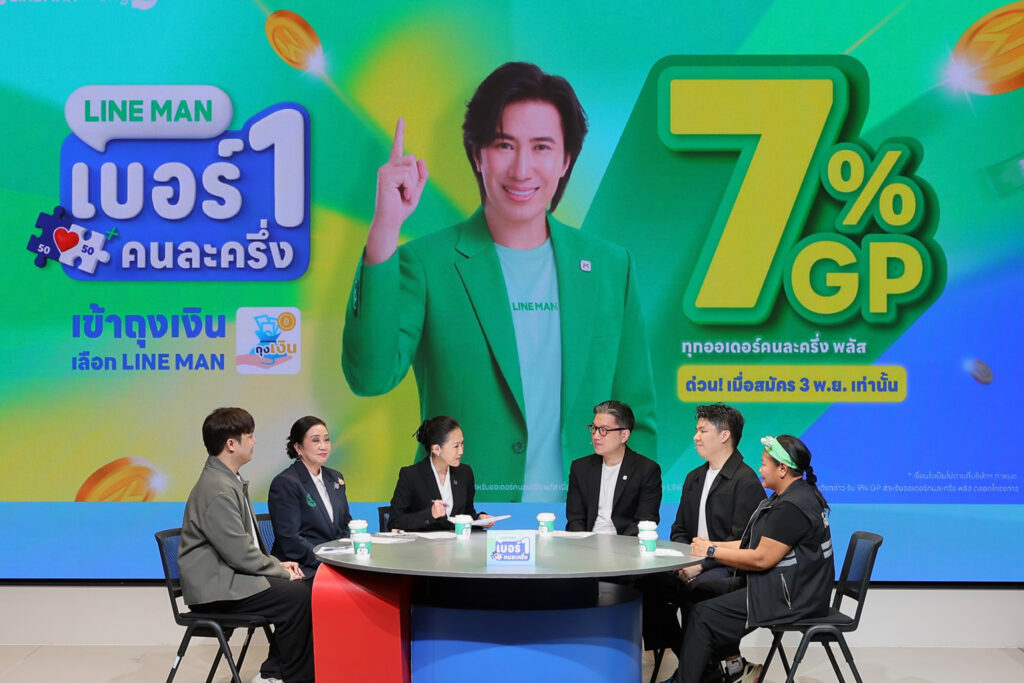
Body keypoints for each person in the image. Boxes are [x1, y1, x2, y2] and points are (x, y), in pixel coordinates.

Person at [342, 61, 657, 503]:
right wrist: (385, 229)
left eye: (542, 147)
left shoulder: (609, 266)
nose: (522, 169)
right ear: (477, 154)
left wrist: (635, 517)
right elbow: (369, 376)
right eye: (504, 145)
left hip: (585, 524)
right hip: (462, 520)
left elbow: (636, 415)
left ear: (566, 159)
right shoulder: (428, 263)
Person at [663, 435, 835, 683]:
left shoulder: (792, 506)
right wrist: (711, 546)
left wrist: (711, 552)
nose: (760, 469)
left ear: (783, 469)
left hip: (794, 598)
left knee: (704, 615)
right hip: (788, 587)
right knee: (699, 592)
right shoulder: (791, 495)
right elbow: (752, 544)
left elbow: (761, 559)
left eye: (764, 464)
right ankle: (715, 673)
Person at [178, 407, 314, 683]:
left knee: (301, 590)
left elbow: (243, 548)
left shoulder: (228, 480)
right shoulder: (216, 487)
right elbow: (239, 553)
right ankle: (293, 676)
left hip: (229, 578)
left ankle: (279, 673)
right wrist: (280, 570)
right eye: (249, 435)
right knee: (298, 596)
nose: (255, 441)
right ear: (231, 444)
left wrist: (277, 565)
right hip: (217, 589)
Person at [642, 405, 767, 660]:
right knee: (648, 584)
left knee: (699, 590)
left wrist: (701, 565)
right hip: (691, 561)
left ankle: (702, 665)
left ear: (724, 436)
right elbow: (679, 529)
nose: (695, 437)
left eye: (703, 430)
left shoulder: (745, 481)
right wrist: (683, 562)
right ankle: (691, 659)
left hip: (726, 567)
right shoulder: (694, 477)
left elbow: (744, 543)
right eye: (696, 430)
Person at [268, 416, 352, 578]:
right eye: (315, 440)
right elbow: (290, 539)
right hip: (302, 566)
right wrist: (326, 561)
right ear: (298, 447)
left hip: (334, 563)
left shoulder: (336, 478)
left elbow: (345, 524)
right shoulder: (286, 482)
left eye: (326, 439)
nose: (323, 446)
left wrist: (345, 556)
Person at [565, 400, 661, 536]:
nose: (596, 436)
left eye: (603, 430)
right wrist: (583, 544)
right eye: (594, 428)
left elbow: (645, 520)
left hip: (626, 544)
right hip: (587, 543)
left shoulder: (646, 470)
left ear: (624, 435)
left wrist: (619, 547)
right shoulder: (580, 468)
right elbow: (575, 519)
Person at [388, 416, 496, 531]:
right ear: (436, 449)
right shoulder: (411, 475)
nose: (461, 451)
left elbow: (467, 514)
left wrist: (479, 519)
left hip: (456, 541)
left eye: (462, 444)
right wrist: (430, 514)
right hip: (423, 542)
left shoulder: (465, 473)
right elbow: (395, 521)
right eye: (456, 446)